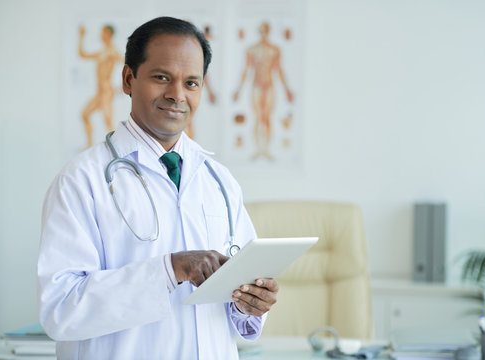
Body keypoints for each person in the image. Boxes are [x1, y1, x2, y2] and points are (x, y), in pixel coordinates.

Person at [38, 17, 278, 360]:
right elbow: (60, 310)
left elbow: (237, 294)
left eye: (191, 83)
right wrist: (170, 269)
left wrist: (251, 304)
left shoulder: (220, 181)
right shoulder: (81, 180)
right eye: (162, 77)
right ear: (128, 79)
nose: (177, 95)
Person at [233, 22, 294, 160]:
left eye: (265, 31)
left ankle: (265, 149)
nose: (263, 33)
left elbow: (279, 70)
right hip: (256, 87)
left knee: (266, 118)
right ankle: (258, 149)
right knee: (257, 117)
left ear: (268, 32)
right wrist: (238, 90)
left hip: (269, 86)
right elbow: (246, 70)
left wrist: (287, 90)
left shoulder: (275, 50)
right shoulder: (251, 50)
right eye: (261, 31)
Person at [78, 24, 124, 147]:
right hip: (100, 91)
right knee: (85, 114)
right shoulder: (101, 52)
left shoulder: (113, 52)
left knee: (107, 120)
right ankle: (89, 145)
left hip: (107, 91)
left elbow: (127, 64)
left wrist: (122, 86)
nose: (101, 35)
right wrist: (82, 36)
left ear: (108, 34)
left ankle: (117, 148)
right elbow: (82, 54)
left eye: (103, 32)